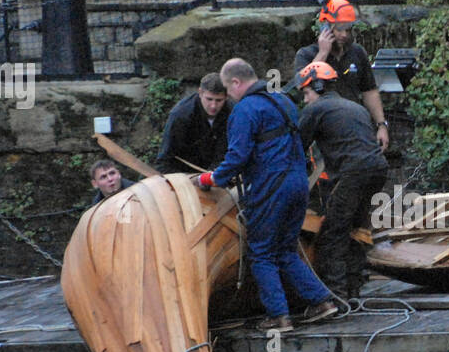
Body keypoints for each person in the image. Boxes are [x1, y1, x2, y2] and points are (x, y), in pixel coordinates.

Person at [196, 58, 337, 333]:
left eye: (227, 90)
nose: (227, 98)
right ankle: (322, 302)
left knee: (261, 253)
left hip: (271, 187)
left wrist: (211, 178)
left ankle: (279, 317)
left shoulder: (245, 110)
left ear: (236, 82)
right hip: (298, 183)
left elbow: (237, 157)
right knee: (285, 249)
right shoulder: (283, 100)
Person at [296, 61, 388, 300]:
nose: (305, 100)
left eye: (306, 93)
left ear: (317, 86)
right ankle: (354, 290)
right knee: (357, 230)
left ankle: (336, 297)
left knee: (333, 232)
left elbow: (296, 148)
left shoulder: (316, 110)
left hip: (354, 172)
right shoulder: (354, 107)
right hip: (378, 169)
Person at [293, 0, 390, 153]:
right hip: (323, 133)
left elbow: (369, 90)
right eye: (339, 29)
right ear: (325, 27)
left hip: (355, 128)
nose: (344, 34)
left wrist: (381, 125)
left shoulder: (357, 52)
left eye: (348, 29)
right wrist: (323, 54)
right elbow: (302, 85)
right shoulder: (306, 55)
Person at [153, 72, 233, 175]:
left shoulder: (233, 112)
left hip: (217, 171)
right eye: (209, 99)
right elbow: (165, 159)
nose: (213, 106)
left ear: (226, 97)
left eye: (219, 100)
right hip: (184, 173)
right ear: (200, 93)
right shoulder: (181, 115)